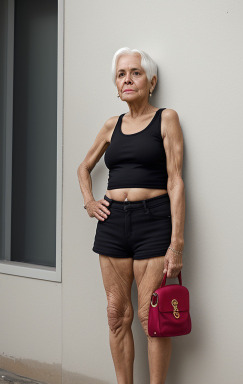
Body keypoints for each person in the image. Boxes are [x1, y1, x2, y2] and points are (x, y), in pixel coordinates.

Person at [77, 47, 185, 384]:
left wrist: (177, 243)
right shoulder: (112, 125)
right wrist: (89, 202)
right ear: (116, 84)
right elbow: (84, 167)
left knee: (150, 317)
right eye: (121, 74)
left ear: (151, 81)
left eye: (135, 72)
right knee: (116, 315)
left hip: (153, 221)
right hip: (111, 224)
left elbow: (176, 181)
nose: (127, 79)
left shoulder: (166, 118)